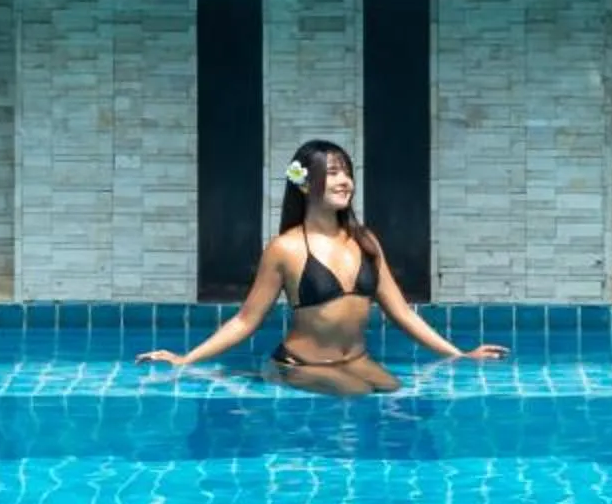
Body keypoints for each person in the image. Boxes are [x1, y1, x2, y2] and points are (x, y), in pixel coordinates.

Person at [137, 138, 507, 394]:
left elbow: (402, 314)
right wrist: (186, 360)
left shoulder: (365, 241)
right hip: (301, 365)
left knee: (393, 390)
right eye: (332, 172)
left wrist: (460, 355)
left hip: (355, 359)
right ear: (304, 184)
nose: (344, 180)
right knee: (358, 394)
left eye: (346, 171)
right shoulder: (286, 248)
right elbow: (245, 320)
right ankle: (270, 374)